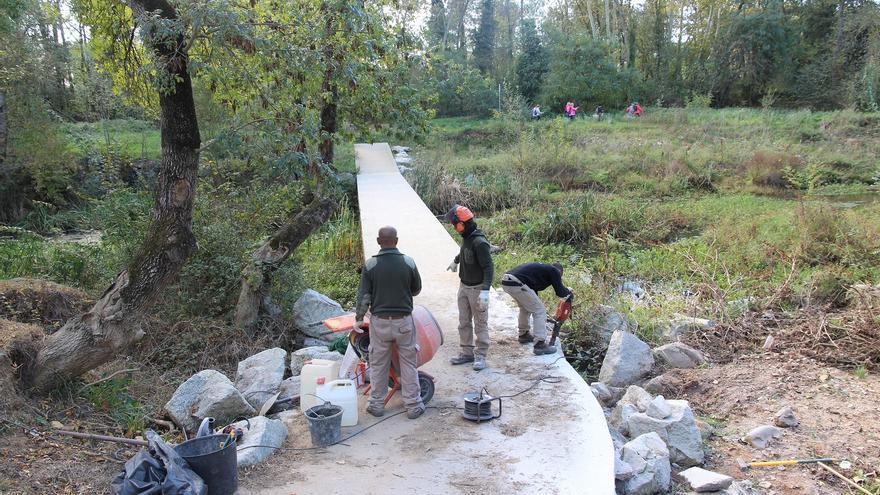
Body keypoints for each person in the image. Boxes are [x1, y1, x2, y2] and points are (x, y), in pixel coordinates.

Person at [354, 226, 425, 419]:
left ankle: (377, 405)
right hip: (404, 322)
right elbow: (416, 289)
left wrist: (359, 319)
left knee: (378, 365)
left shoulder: (370, 265)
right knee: (408, 364)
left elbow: (364, 296)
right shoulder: (408, 262)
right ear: (397, 240)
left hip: (380, 323)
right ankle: (414, 406)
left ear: (378, 241)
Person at [445, 205, 494, 371]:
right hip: (464, 286)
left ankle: (480, 355)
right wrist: (456, 260)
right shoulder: (467, 236)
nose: (454, 228)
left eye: (454, 224)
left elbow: (488, 267)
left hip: (477, 289)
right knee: (463, 321)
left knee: (480, 323)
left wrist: (485, 291)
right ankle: (467, 352)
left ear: (461, 224)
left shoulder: (480, 243)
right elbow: (464, 250)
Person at [501, 262, 573, 355]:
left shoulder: (542, 269)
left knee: (525, 308)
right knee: (540, 311)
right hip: (517, 282)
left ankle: (524, 334)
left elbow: (532, 290)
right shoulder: (554, 270)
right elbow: (560, 292)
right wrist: (569, 291)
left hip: (507, 281)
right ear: (560, 272)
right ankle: (539, 344)